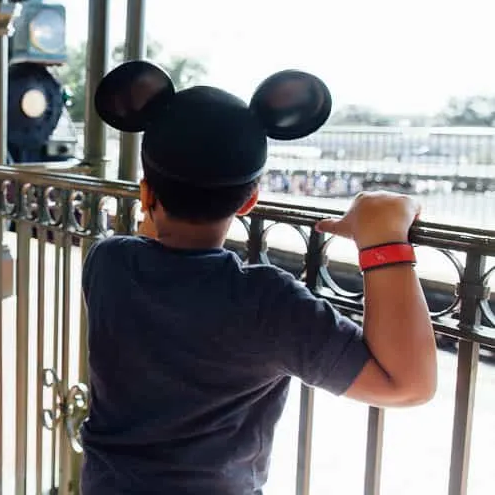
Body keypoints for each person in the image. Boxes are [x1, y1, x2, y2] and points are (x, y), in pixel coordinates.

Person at [80, 61, 437, 495]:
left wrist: (161, 194)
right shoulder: (267, 303)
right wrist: (382, 236)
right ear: (250, 199)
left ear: (146, 193)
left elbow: (153, 240)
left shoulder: (108, 264)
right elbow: (408, 386)